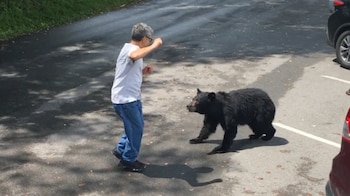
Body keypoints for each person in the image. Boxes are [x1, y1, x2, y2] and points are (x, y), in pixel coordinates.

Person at [111, 23, 163, 172]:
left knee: (133, 126)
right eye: (149, 40)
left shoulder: (128, 48)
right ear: (144, 38)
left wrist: (141, 71)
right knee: (136, 128)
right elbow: (134, 55)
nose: (150, 42)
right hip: (125, 100)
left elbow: (126, 70)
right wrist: (155, 45)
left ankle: (121, 149)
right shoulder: (133, 50)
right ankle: (128, 159)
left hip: (130, 97)